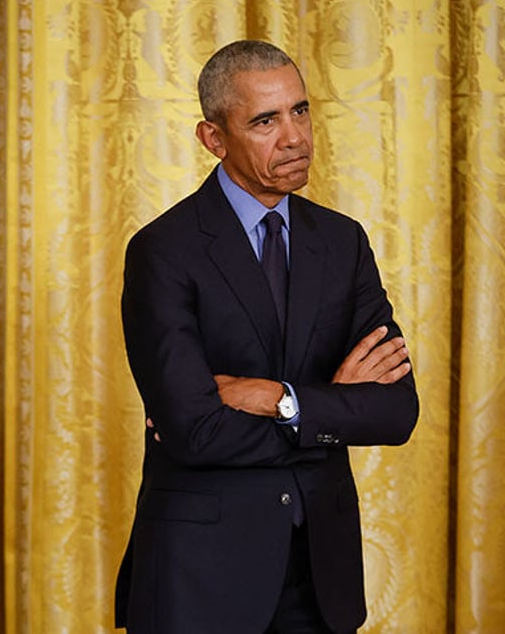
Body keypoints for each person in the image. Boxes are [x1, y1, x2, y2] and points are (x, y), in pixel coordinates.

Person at [114, 40, 419, 633]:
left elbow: (395, 410)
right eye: (265, 120)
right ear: (213, 137)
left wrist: (279, 398)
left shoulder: (342, 242)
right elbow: (194, 431)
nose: (296, 137)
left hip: (320, 582)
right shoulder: (162, 251)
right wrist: (329, 408)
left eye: (300, 111)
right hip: (199, 581)